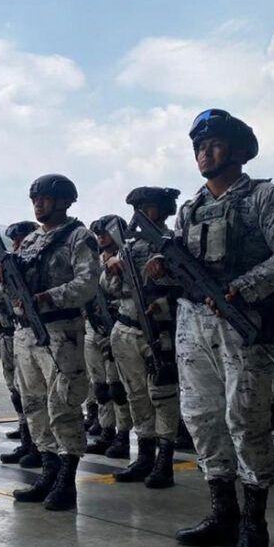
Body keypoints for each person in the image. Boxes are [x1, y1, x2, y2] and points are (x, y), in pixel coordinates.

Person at [151, 109, 274, 547]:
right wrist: (162, 267)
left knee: (246, 419)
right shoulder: (191, 207)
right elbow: (183, 263)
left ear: (237, 151)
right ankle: (223, 513)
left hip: (243, 321)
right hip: (193, 322)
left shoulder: (264, 197)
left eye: (214, 144)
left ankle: (255, 522)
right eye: (199, 146)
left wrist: (244, 289)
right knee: (201, 416)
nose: (204, 153)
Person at [0, 174, 98, 511]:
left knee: (63, 405)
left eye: (45, 198)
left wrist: (48, 297)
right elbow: (11, 290)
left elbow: (87, 284)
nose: (38, 204)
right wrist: (0, 278)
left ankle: (67, 480)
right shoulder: (30, 241)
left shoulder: (79, 236)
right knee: (34, 404)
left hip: (61, 331)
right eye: (34, 198)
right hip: (26, 333)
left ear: (64, 201)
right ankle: (49, 472)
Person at [102, 187, 183, 488]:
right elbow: (110, 288)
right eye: (137, 209)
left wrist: (163, 293)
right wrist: (111, 267)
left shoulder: (174, 243)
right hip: (126, 328)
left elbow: (187, 286)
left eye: (147, 208)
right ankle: (145, 455)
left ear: (163, 210)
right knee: (135, 394)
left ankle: (165, 459)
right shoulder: (128, 246)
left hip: (159, 329)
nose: (140, 215)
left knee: (163, 394)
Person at [0, 220, 41, 466]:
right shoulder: (10, 267)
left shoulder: (34, 267)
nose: (16, 246)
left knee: (36, 395)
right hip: (10, 335)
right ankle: (26, 438)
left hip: (32, 334)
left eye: (20, 241)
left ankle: (39, 445)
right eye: (14, 242)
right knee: (17, 392)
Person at [83, 215, 133, 458]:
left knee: (117, 388)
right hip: (93, 326)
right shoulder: (93, 260)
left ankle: (122, 436)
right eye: (98, 234)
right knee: (100, 386)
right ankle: (106, 431)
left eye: (105, 232)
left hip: (116, 324)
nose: (101, 237)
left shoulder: (126, 258)